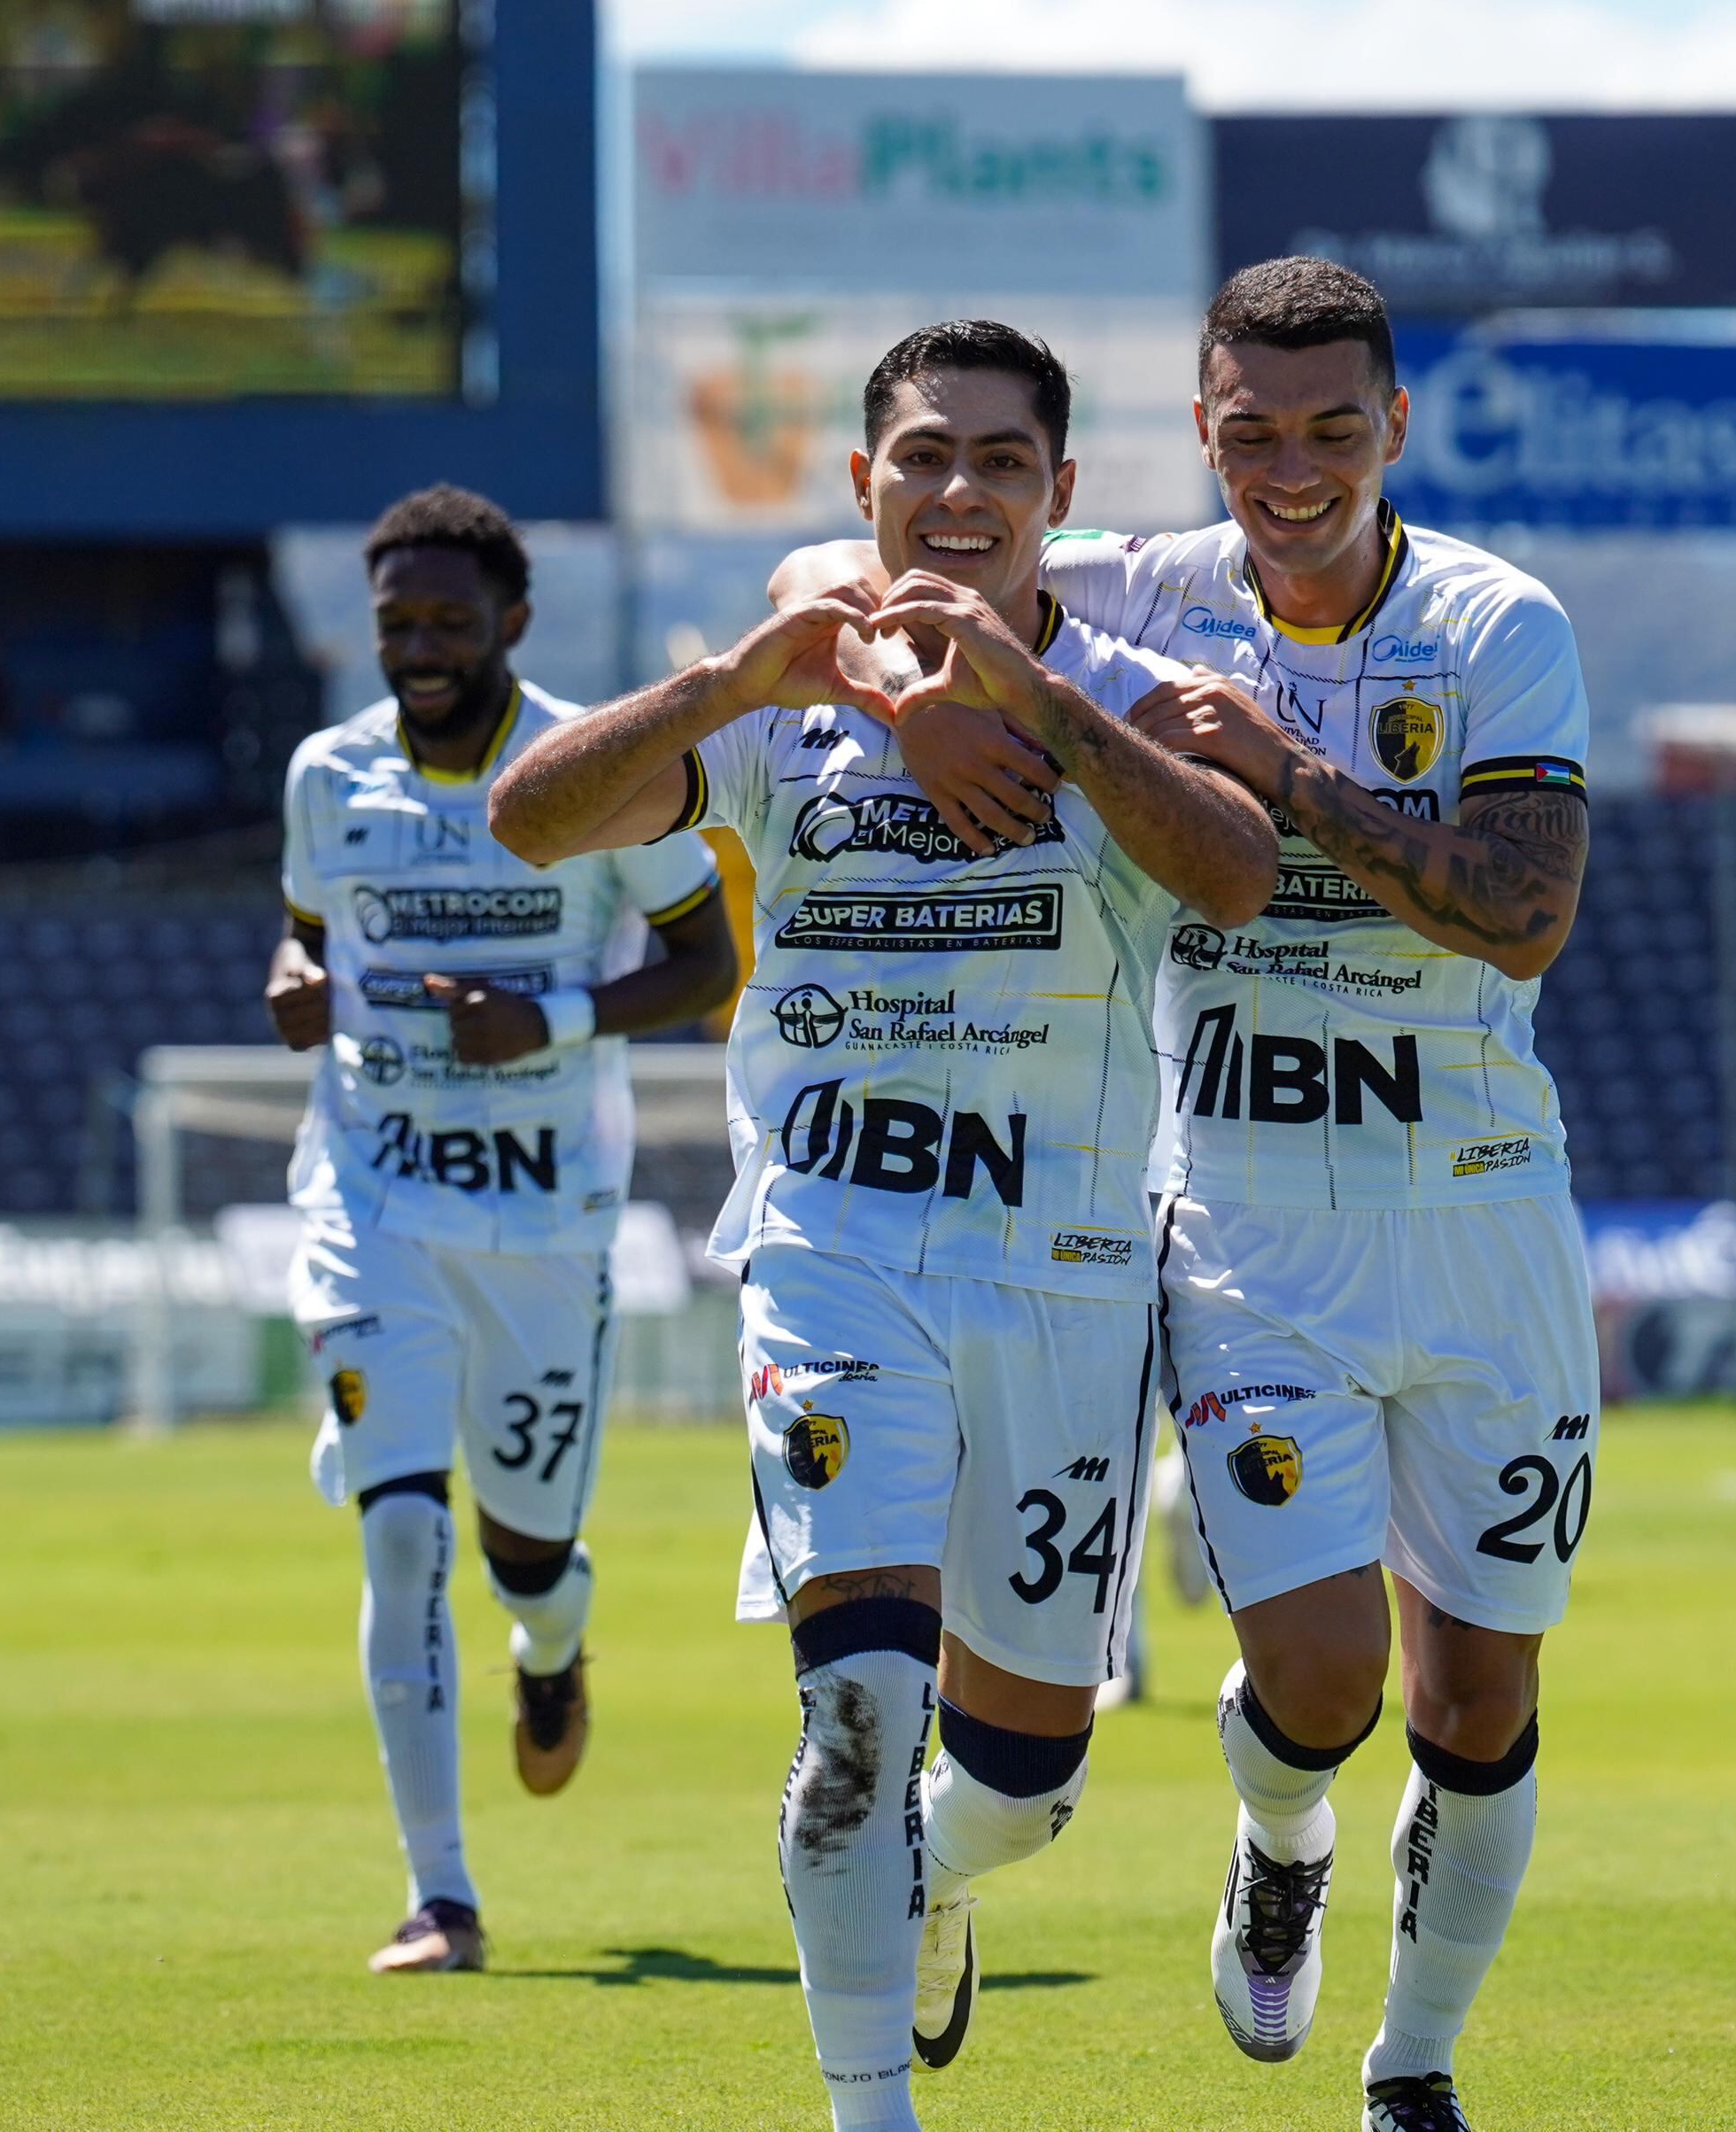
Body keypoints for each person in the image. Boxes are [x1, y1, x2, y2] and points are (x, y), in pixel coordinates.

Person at [771, 257, 1600, 2132]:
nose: (1287, 468)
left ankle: (1410, 2067)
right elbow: (833, 584)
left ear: (1392, 429)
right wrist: (910, 699)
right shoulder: (1143, 585)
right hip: (1240, 1216)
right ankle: (1283, 1823)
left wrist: (1295, 778)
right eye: (1247, 431)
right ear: (1204, 428)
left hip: (1479, 1202)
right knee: (1320, 1676)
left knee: (1476, 1705)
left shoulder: (1496, 626)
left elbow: (1525, 912)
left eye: (1328, 430)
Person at [490, 322, 1276, 2132]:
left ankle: (934, 1881)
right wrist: (725, 686)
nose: (958, 490)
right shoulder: (788, 693)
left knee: (1024, 1777)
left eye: (1001, 462)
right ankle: (868, 2114)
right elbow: (532, 824)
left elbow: (1232, 873)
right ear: (865, 484)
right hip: (834, 1254)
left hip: (1065, 1282)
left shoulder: (1129, 693)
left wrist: (1011, 694)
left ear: (1057, 499)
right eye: (923, 456)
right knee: (853, 1713)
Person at [265, 485, 742, 1972]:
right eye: (398, 619)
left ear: (513, 623)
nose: (419, 645)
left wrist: (552, 1015)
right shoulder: (327, 771)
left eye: (450, 620)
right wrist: (291, 973)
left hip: (543, 1218)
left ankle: (551, 1645)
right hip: (372, 1195)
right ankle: (441, 1894)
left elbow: (707, 963)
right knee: (401, 1531)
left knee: (525, 1551)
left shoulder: (593, 769)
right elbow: (308, 926)